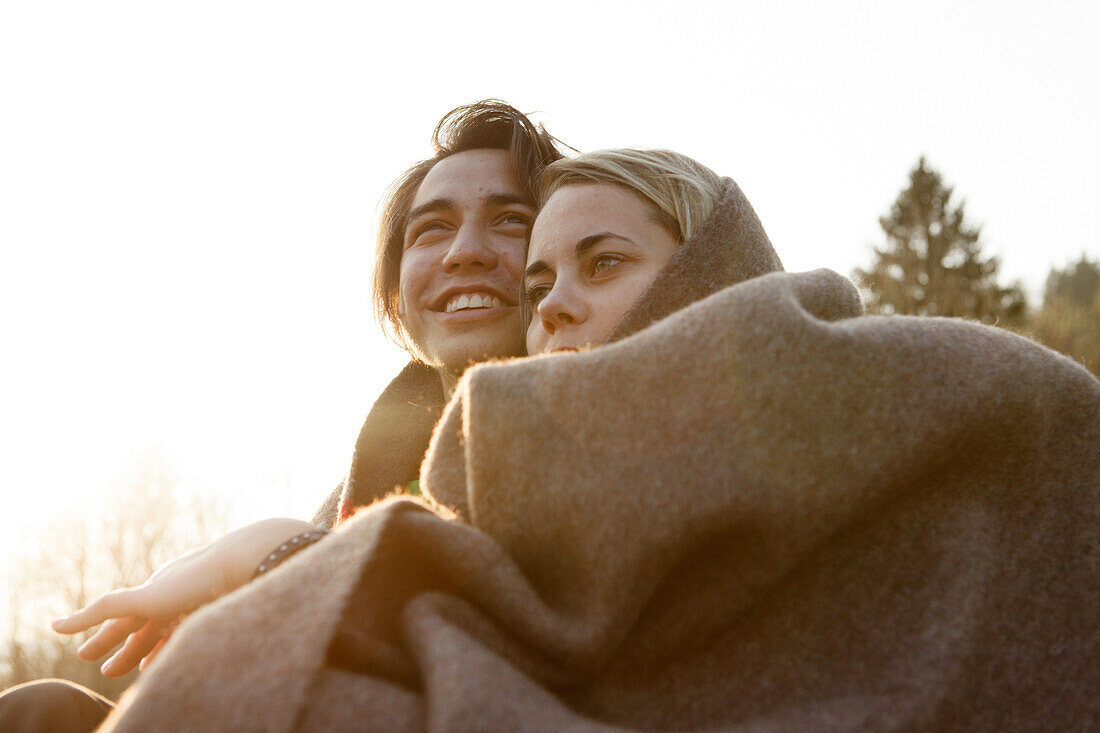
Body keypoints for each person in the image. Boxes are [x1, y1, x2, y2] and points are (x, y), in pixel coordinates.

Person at [91, 148, 1099, 731]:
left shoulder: (879, 386)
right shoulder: (392, 458)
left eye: (599, 261)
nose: (554, 305)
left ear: (712, 275)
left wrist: (265, 560)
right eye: (541, 286)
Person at [0, 99, 565, 732]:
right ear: (394, 288)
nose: (464, 252)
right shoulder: (369, 478)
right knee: (40, 711)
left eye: (511, 221)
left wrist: (274, 555)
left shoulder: (595, 446)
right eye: (430, 229)